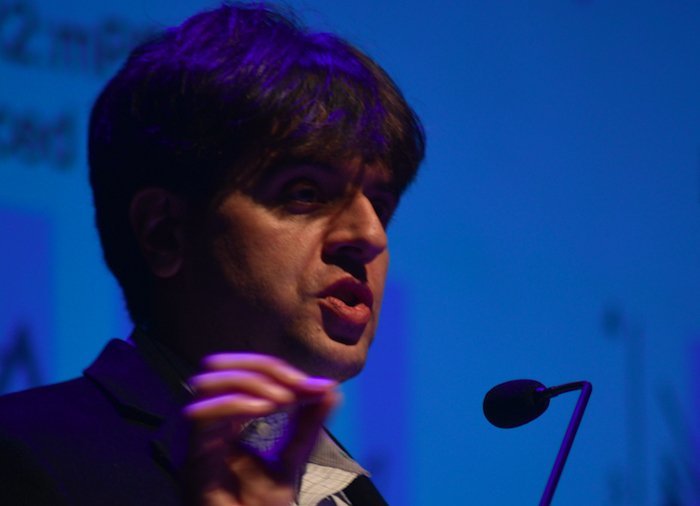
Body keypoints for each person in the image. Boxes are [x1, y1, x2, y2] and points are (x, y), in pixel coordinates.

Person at [0, 2, 425, 505]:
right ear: (165, 233)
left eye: (379, 204)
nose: (370, 235)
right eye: (306, 192)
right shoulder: (26, 455)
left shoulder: (353, 494)